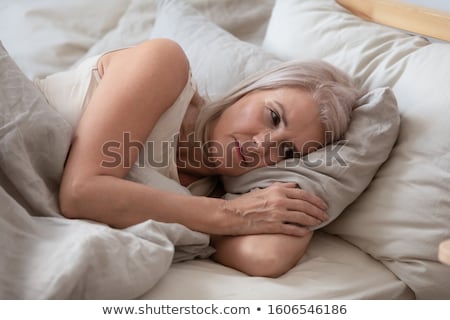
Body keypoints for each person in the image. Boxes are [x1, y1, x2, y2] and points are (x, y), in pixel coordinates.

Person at [35, 39, 361, 277]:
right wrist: (229, 214)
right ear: (249, 91)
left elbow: (266, 258)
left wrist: (314, 188)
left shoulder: (210, 195)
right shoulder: (164, 64)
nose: (263, 146)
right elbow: (81, 194)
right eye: (273, 117)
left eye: (287, 152)